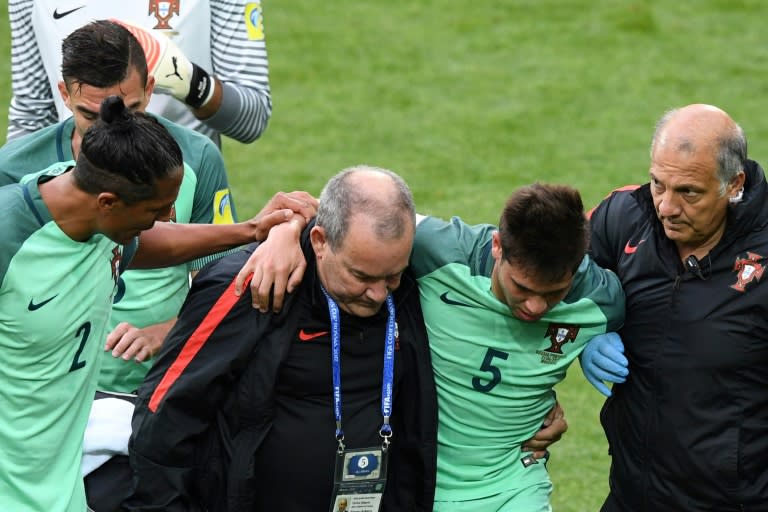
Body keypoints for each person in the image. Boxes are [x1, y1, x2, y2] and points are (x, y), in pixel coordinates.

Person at [0, 95, 310, 512]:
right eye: (155, 209)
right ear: (108, 202)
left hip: (61, 484)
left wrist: (250, 229)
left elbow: (144, 242)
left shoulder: (88, 210)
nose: (167, 217)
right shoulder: (10, 237)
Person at [238, 182, 626, 510]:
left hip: (516, 481)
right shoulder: (440, 249)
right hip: (420, 485)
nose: (535, 307)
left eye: (554, 294)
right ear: (497, 247)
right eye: (522, 288)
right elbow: (345, 216)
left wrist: (603, 338)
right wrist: (284, 234)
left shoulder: (602, 298)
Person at [124, 166, 438, 511]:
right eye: (360, 275)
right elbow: (166, 415)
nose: (378, 294)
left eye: (392, 276)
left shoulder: (410, 286)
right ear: (320, 241)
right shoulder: (252, 286)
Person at [0, 19, 240, 394]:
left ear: (149, 89)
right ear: (64, 94)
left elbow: (226, 285)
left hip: (158, 390)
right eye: (90, 115)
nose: (108, 134)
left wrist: (171, 330)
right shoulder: (12, 171)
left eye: (127, 111)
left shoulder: (196, 158)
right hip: (43, 398)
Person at [582, 104, 768, 511]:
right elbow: (552, 276)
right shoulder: (624, 215)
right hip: (631, 493)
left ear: (733, 184)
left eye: (689, 192)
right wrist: (588, 335)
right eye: (658, 183)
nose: (666, 205)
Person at [8, 0, 270, 146]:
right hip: (79, 207)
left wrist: (191, 84)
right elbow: (33, 114)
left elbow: (252, 119)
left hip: (181, 204)